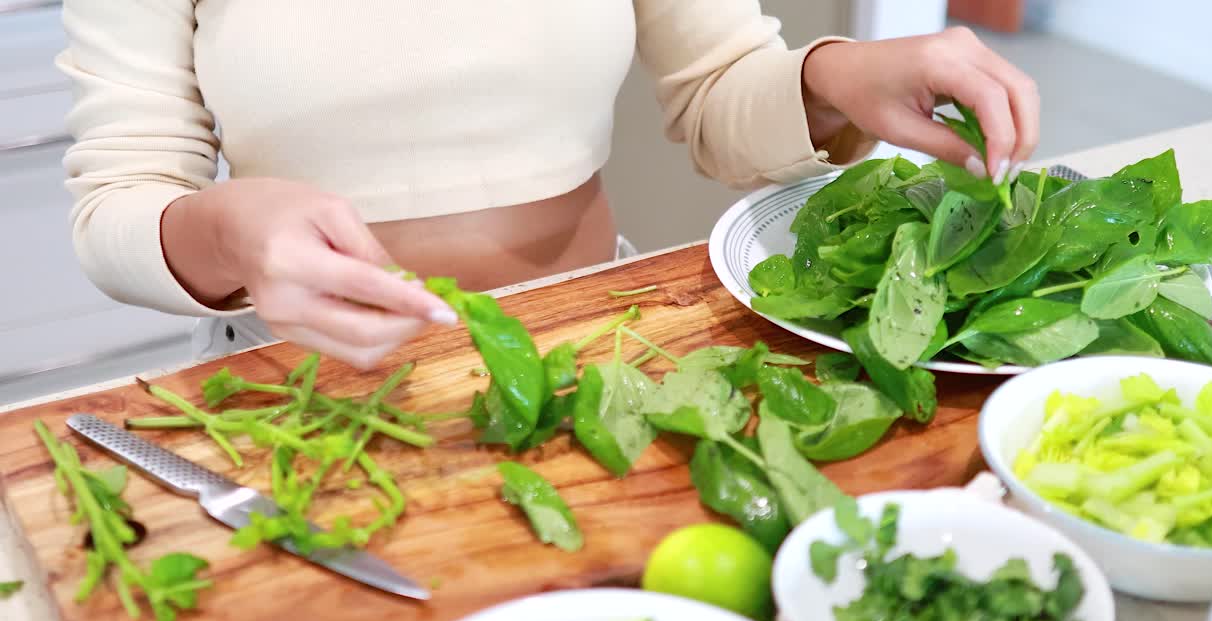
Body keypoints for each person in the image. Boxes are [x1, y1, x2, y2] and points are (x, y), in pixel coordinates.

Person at [57, 2, 1038, 370]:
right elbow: (118, 203)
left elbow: (718, 91)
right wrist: (231, 233)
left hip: (591, 355)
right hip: (294, 381)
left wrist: (834, 78)